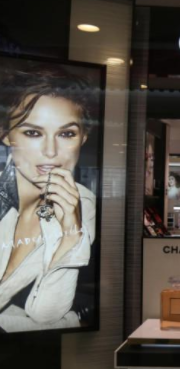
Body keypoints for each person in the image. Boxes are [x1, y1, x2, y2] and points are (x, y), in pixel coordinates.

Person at [0, 66, 97, 332]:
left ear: (83, 138)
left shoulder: (82, 204)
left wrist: (71, 234)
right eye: (33, 133)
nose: (51, 152)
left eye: (66, 134)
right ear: (6, 135)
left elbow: (46, 315)